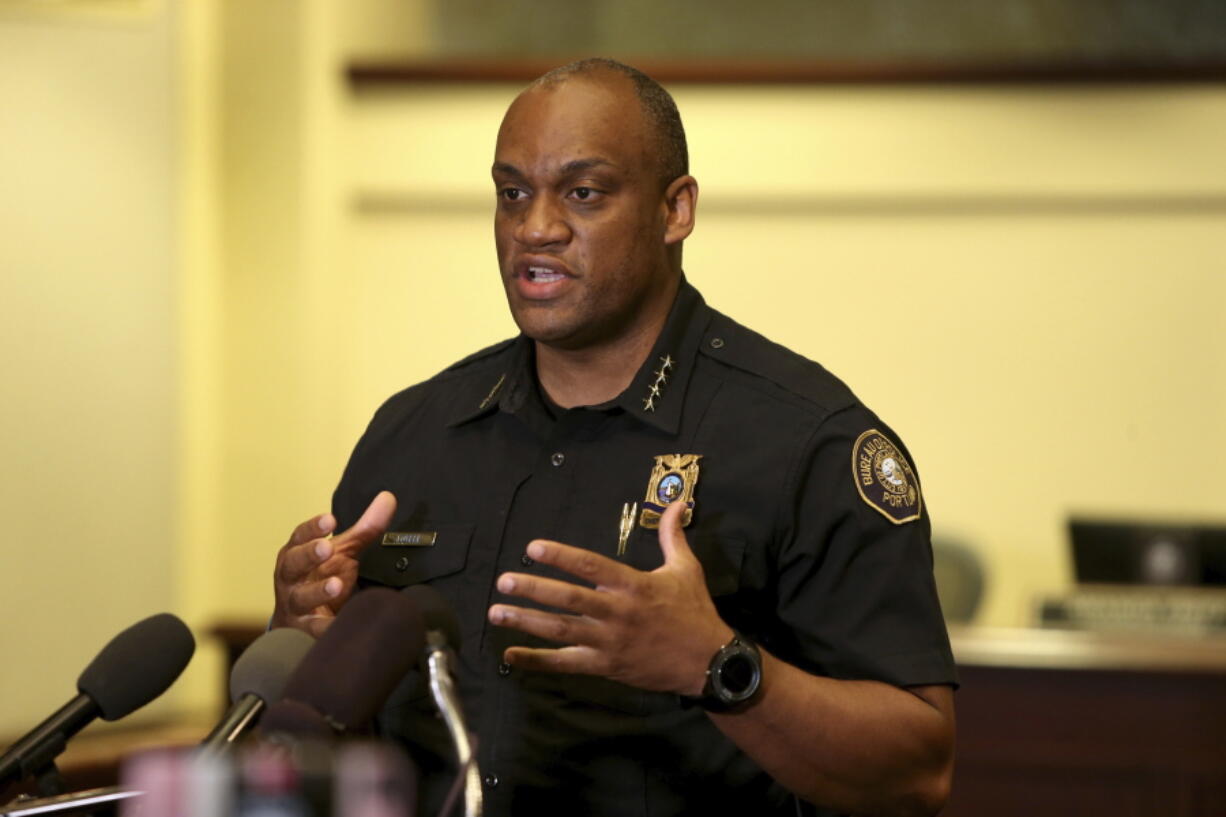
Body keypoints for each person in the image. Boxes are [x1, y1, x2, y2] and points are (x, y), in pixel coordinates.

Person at [270, 58, 956, 817]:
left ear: (675, 210)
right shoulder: (413, 433)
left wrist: (716, 664)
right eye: (512, 194)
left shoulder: (807, 442)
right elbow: (331, 748)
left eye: (583, 193)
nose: (536, 228)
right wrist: (303, 635)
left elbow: (916, 770)